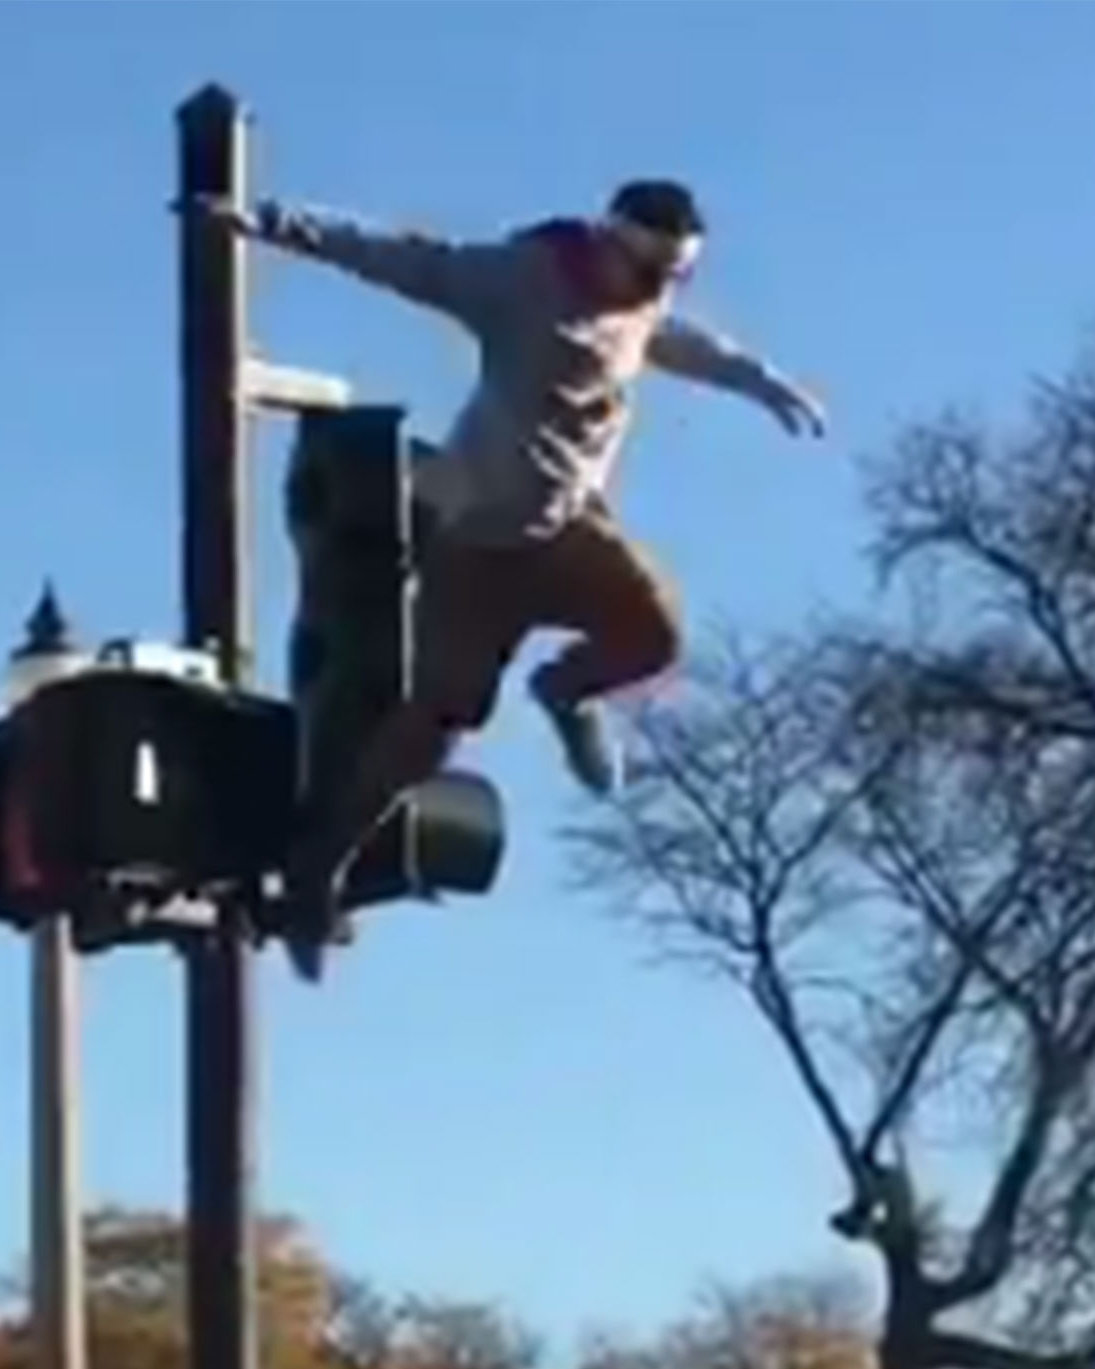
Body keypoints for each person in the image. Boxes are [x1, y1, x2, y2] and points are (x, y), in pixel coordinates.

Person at [183, 180, 827, 979]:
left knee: (653, 633)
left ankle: (566, 694)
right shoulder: (517, 280)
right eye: (649, 274)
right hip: (477, 550)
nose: (655, 293)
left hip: (566, 532)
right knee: (432, 733)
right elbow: (400, 260)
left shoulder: (644, 303)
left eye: (673, 279)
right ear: (607, 244)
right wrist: (269, 223)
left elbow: (676, 343)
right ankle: (317, 876)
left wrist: (761, 381)